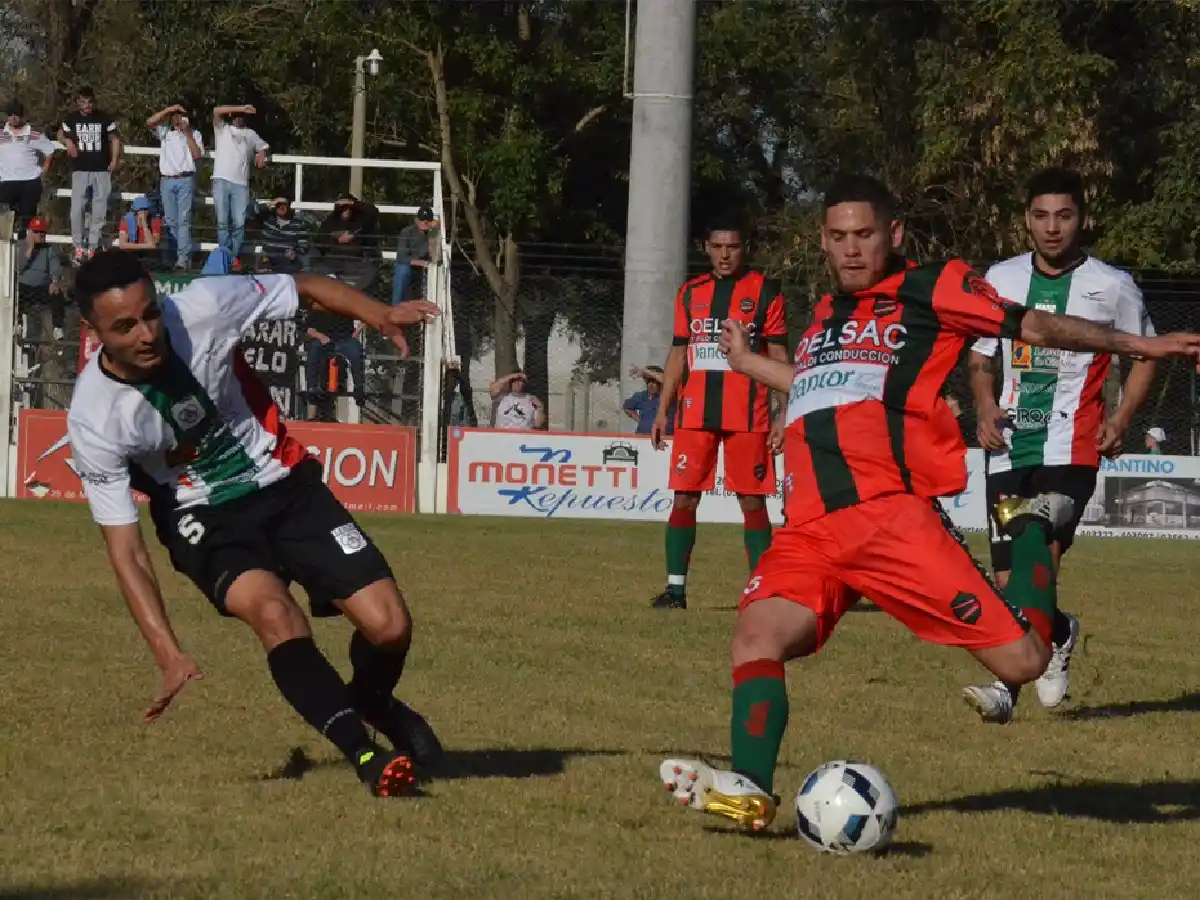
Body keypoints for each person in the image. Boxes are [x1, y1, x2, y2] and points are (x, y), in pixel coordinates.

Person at [657, 174, 1200, 832]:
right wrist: (746, 365)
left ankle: (1042, 582)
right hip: (809, 531)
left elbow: (1032, 324)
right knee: (754, 639)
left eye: (864, 235)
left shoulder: (933, 287)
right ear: (822, 241)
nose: (851, 249)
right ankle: (749, 789)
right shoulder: (827, 315)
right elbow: (818, 388)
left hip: (890, 521)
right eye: (837, 237)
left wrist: (1140, 345)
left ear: (894, 234)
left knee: (1023, 662)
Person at [66, 249, 444, 798]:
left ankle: (373, 702)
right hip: (200, 514)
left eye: (149, 313)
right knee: (275, 613)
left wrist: (377, 313)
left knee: (389, 626)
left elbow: (305, 285)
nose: (146, 333)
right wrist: (168, 654)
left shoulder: (206, 307)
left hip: (284, 483)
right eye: (123, 326)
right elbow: (128, 552)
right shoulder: (95, 419)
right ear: (92, 329)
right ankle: (363, 755)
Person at [961, 167, 1158, 723]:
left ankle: (1005, 690)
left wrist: (1121, 417)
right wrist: (983, 405)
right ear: (1026, 219)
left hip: (1073, 446)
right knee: (1009, 588)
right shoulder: (998, 279)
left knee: (1036, 540)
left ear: (1082, 218)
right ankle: (1061, 630)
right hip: (1007, 448)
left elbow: (1145, 354)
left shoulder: (1112, 285)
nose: (1052, 228)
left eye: (1064, 215)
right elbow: (979, 356)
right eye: (1042, 216)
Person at [648, 218, 789, 610]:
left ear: (745, 248)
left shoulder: (765, 293)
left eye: (733, 247)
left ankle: (761, 594)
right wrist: (663, 409)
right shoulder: (690, 293)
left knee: (753, 502)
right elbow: (678, 353)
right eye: (718, 246)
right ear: (706, 247)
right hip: (695, 416)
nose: (725, 254)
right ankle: (675, 591)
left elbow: (779, 358)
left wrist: (784, 413)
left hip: (749, 416)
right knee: (685, 499)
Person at [60, 86, 121, 264]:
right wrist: (67, 141)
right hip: (80, 169)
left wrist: (115, 159)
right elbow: (60, 133)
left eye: (90, 101)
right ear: (78, 102)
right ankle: (78, 246)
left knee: (99, 210)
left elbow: (115, 139)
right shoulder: (71, 118)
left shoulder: (104, 118)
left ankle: (93, 247)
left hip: (101, 169)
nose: (87, 105)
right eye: (84, 101)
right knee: (76, 209)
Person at [211, 103, 269, 267]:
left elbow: (264, 146)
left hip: (241, 184)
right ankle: (225, 258)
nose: (239, 117)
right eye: (236, 114)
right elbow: (216, 111)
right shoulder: (222, 129)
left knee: (239, 223)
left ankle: (231, 258)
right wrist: (241, 107)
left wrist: (262, 153)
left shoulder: (251, 134)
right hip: (221, 180)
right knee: (222, 223)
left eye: (242, 115)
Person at [623, 365, 675, 436]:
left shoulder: (669, 396)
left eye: (654, 381)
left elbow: (667, 380)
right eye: (648, 381)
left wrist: (645, 371)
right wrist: (640, 421)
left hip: (665, 438)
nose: (651, 384)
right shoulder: (641, 396)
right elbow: (627, 407)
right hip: (643, 437)